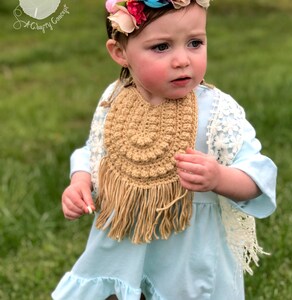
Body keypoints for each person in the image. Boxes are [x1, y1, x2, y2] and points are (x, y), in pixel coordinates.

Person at [52, 0, 277, 299]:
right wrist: (80, 182)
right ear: (120, 53)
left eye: (195, 42)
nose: (182, 60)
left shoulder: (217, 111)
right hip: (125, 247)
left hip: (187, 257)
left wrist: (220, 178)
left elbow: (258, 174)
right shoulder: (115, 100)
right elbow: (96, 152)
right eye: (161, 47)